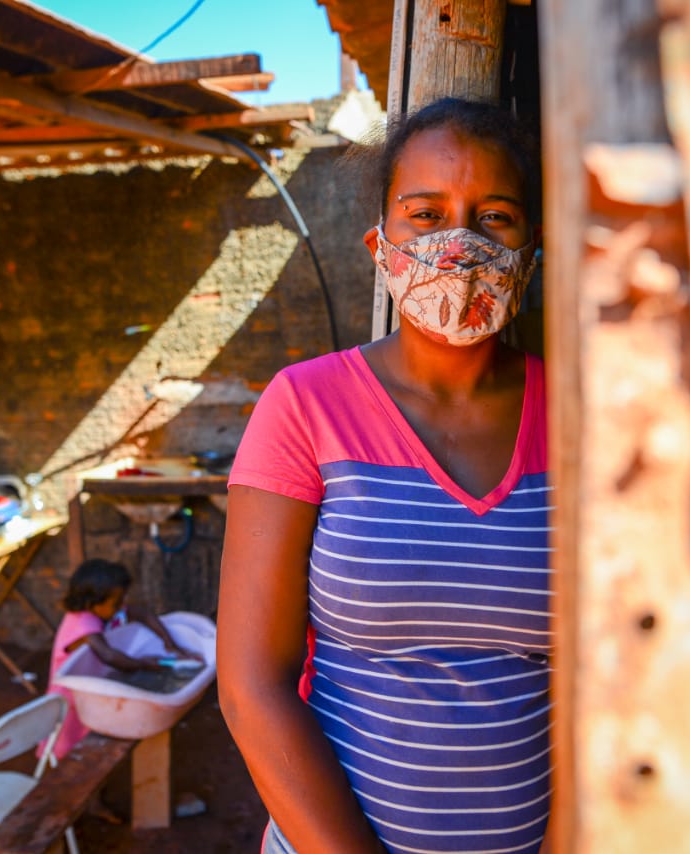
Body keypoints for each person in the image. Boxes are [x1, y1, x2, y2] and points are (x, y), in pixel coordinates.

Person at [219, 97, 553, 854]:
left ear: (531, 251)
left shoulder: (585, 416)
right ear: (381, 244)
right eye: (426, 214)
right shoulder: (304, 406)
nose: (460, 242)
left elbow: (616, 679)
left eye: (493, 216)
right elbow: (251, 687)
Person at [43, 558, 180, 760]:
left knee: (90, 736)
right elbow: (108, 656)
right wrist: (144, 664)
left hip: (90, 685)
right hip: (70, 694)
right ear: (92, 602)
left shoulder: (104, 611)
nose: (121, 606)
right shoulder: (83, 623)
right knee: (68, 741)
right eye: (116, 603)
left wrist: (170, 644)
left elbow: (141, 614)